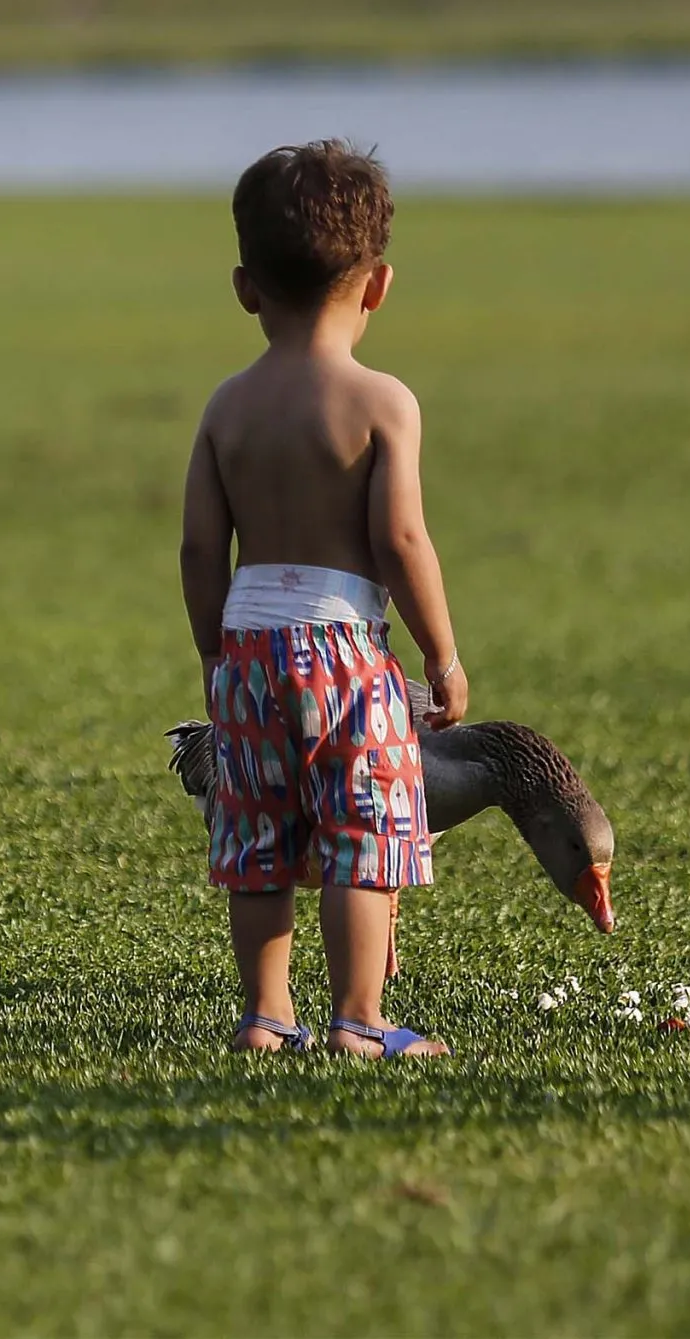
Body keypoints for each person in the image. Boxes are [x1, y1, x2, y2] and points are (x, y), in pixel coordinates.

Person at [179, 140, 465, 1058]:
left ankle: (266, 1016)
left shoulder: (227, 407)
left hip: (248, 646)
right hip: (346, 652)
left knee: (259, 836)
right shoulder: (383, 402)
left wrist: (216, 655)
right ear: (378, 285)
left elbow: (196, 545)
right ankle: (360, 1018)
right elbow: (402, 540)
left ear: (244, 287)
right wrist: (442, 652)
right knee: (363, 833)